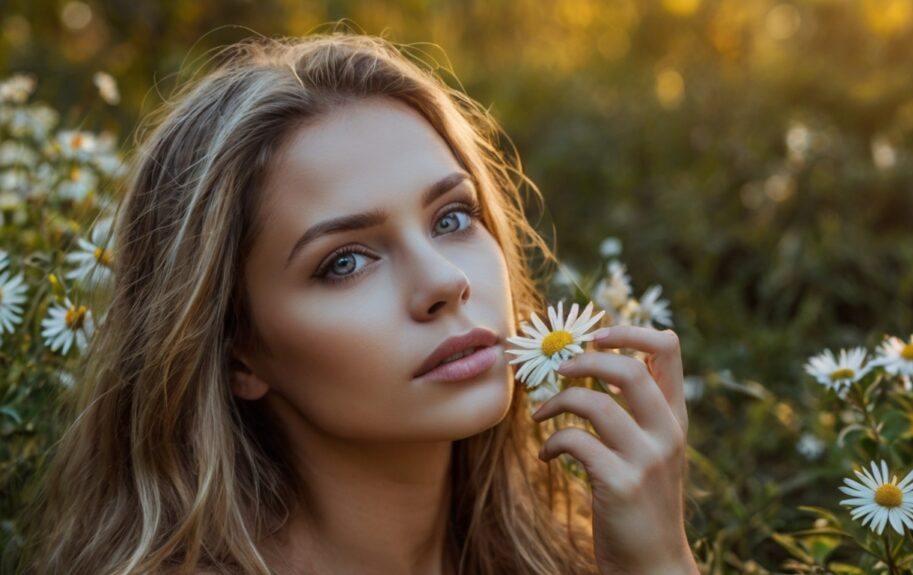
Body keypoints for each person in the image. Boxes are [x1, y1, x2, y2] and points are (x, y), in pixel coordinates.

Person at [18, 29, 698, 575]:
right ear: (237, 353)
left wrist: (662, 560)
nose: (443, 282)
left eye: (453, 218)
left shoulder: (566, 552)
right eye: (344, 261)